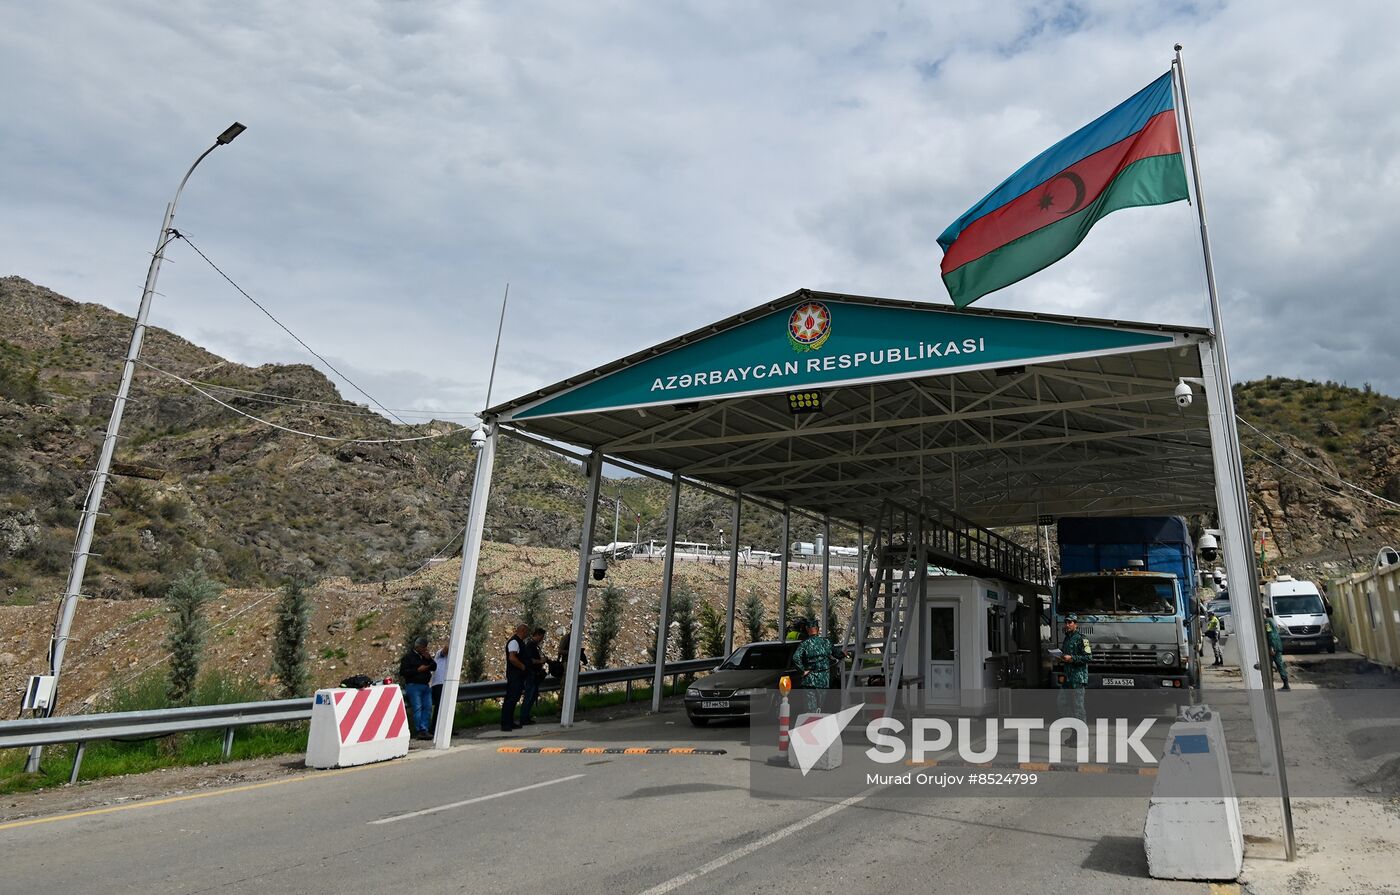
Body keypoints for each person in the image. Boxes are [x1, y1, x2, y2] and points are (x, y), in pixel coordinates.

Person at [790, 617, 833, 714]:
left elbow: (796, 657)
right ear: (817, 630)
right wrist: (844, 654)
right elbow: (836, 654)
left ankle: (810, 726)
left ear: (807, 630)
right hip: (823, 680)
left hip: (809, 680)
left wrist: (802, 671)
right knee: (821, 708)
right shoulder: (826, 642)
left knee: (810, 710)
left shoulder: (805, 644)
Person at [398, 637, 437, 739]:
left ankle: (425, 728)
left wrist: (429, 659)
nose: (424, 649)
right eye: (423, 647)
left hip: (425, 684)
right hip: (413, 685)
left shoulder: (425, 657)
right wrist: (417, 670)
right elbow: (403, 672)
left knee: (428, 707)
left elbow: (434, 667)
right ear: (417, 646)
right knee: (418, 707)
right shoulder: (408, 657)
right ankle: (419, 730)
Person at [1057, 614, 1091, 722]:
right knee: (1062, 703)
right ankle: (1074, 728)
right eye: (1066, 622)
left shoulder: (1082, 639)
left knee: (1078, 707)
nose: (1067, 625)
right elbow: (1064, 654)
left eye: (1070, 622)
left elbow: (1088, 657)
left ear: (1075, 624)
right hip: (1068, 677)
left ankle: (1081, 733)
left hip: (1078, 677)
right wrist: (1060, 658)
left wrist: (1072, 658)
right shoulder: (1067, 639)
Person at [502, 623, 530, 731]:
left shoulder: (520, 642)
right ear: (522, 631)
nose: (527, 634)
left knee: (514, 699)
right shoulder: (514, 642)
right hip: (515, 676)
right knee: (511, 699)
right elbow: (512, 658)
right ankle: (505, 723)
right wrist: (523, 667)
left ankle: (510, 722)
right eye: (526, 631)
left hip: (519, 676)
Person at [518, 627, 547, 725]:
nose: (542, 639)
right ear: (537, 634)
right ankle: (524, 718)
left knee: (532, 696)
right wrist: (540, 661)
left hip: (534, 675)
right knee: (529, 697)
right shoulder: (531, 645)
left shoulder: (534, 645)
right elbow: (529, 660)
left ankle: (526, 717)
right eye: (541, 637)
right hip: (531, 675)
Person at [1264, 608, 1290, 691]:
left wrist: (1272, 646)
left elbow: (1270, 634)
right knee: (1275, 665)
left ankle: (1286, 685)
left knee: (1279, 665)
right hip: (1277, 644)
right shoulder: (1272, 621)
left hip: (1274, 646)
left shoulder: (1267, 622)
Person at [428, 643, 449, 734]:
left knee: (448, 707)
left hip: (448, 683)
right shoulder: (439, 654)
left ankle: (448, 728)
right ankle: (434, 728)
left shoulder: (452, 658)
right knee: (439, 706)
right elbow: (445, 650)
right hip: (439, 683)